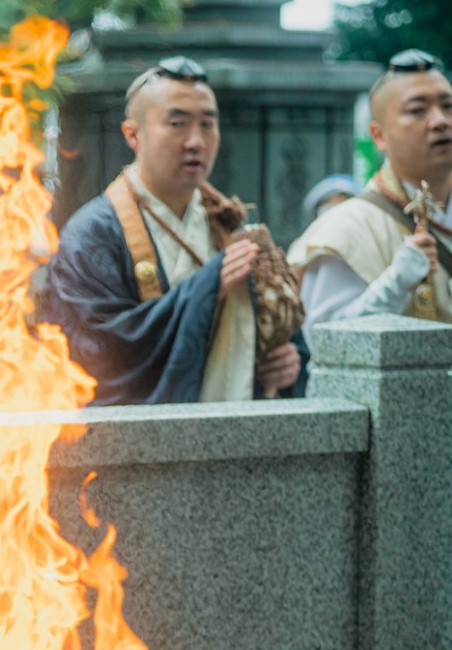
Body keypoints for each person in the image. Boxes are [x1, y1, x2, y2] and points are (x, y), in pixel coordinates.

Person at [44, 57, 306, 405]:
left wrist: (286, 363)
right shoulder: (92, 235)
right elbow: (96, 355)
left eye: (208, 125)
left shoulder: (229, 224)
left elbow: (278, 334)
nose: (196, 141)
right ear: (132, 134)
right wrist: (210, 287)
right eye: (177, 123)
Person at [290, 51, 452, 386]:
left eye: (448, 106)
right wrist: (394, 285)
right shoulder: (343, 230)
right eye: (417, 110)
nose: (440, 121)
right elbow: (328, 348)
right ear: (378, 135)